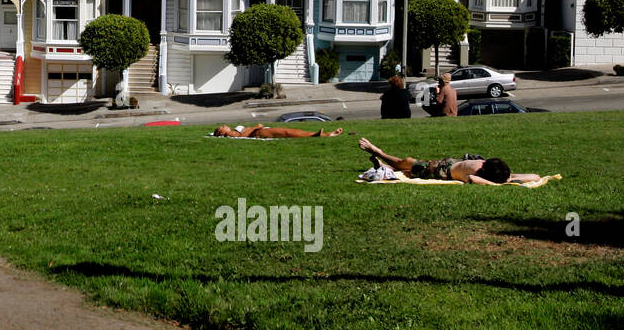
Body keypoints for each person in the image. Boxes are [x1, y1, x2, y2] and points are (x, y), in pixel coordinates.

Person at [357, 136, 540, 184]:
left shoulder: (483, 170)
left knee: (406, 166)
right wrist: (505, 182)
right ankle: (379, 154)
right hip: (440, 168)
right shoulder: (477, 172)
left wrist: (508, 180)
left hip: (443, 167)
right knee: (406, 164)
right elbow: (534, 177)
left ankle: (380, 159)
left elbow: (535, 176)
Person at [214, 124, 344, 139]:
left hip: (261, 130)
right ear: (221, 133)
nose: (224, 125)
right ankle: (317, 135)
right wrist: (255, 127)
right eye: (221, 127)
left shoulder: (231, 130)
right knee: (287, 133)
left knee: (292, 130)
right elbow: (244, 136)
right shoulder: (230, 134)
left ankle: (325, 134)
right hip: (259, 133)